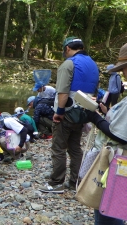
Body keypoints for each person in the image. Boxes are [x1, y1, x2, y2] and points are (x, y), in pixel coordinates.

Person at [38, 37, 99, 193]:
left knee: (58, 148)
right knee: (75, 148)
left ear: (67, 49)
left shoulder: (69, 64)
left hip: (67, 113)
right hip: (83, 113)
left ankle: (56, 183)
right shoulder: (93, 64)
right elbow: (95, 93)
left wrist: (59, 113)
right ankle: (75, 182)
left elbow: (63, 92)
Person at [84, 43, 127, 225]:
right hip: (119, 164)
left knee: (107, 210)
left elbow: (121, 136)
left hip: (118, 163)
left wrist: (94, 118)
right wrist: (105, 112)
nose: (123, 73)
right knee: (112, 208)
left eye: (124, 68)